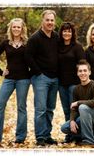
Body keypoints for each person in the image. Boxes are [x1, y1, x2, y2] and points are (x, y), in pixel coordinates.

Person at [0, 18, 30, 143]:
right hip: (9, 79)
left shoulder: (27, 43)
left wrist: (32, 73)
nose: (16, 29)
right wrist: (1, 72)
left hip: (23, 79)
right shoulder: (6, 43)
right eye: (14, 27)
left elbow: (35, 59)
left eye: (18, 27)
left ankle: (20, 137)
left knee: (21, 107)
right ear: (10, 28)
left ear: (22, 29)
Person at [25, 10, 59, 146]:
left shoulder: (56, 37)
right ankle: (40, 137)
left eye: (52, 20)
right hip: (41, 79)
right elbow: (28, 56)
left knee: (50, 108)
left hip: (55, 78)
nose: (50, 22)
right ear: (42, 21)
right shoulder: (35, 38)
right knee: (40, 109)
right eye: (47, 20)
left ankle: (47, 135)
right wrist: (38, 72)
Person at [61, 59, 94, 147]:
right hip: (85, 117)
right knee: (65, 128)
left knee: (82, 107)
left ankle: (89, 140)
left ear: (89, 72)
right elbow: (74, 108)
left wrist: (78, 103)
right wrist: (72, 120)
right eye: (80, 71)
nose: (82, 73)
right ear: (77, 73)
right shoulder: (76, 89)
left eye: (85, 70)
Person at [58, 22, 85, 143]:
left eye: (69, 31)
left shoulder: (77, 47)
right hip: (61, 83)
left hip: (74, 84)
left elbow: (82, 64)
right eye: (64, 31)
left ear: (72, 33)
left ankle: (78, 135)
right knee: (66, 110)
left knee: (75, 109)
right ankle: (69, 134)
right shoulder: (58, 46)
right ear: (61, 32)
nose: (66, 33)